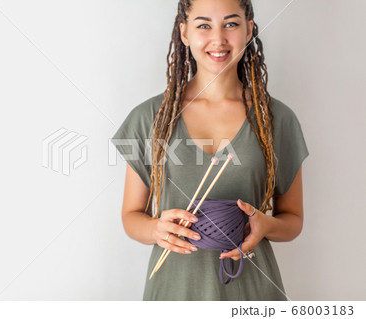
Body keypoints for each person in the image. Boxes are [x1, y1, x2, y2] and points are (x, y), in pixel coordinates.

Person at [111, 0, 309, 301]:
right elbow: (131, 216)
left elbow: (292, 219)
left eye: (231, 24)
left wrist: (265, 224)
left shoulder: (276, 119)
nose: (218, 39)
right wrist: (156, 229)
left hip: (253, 296)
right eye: (204, 25)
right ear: (185, 33)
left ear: (249, 30)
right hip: (173, 294)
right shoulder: (150, 117)